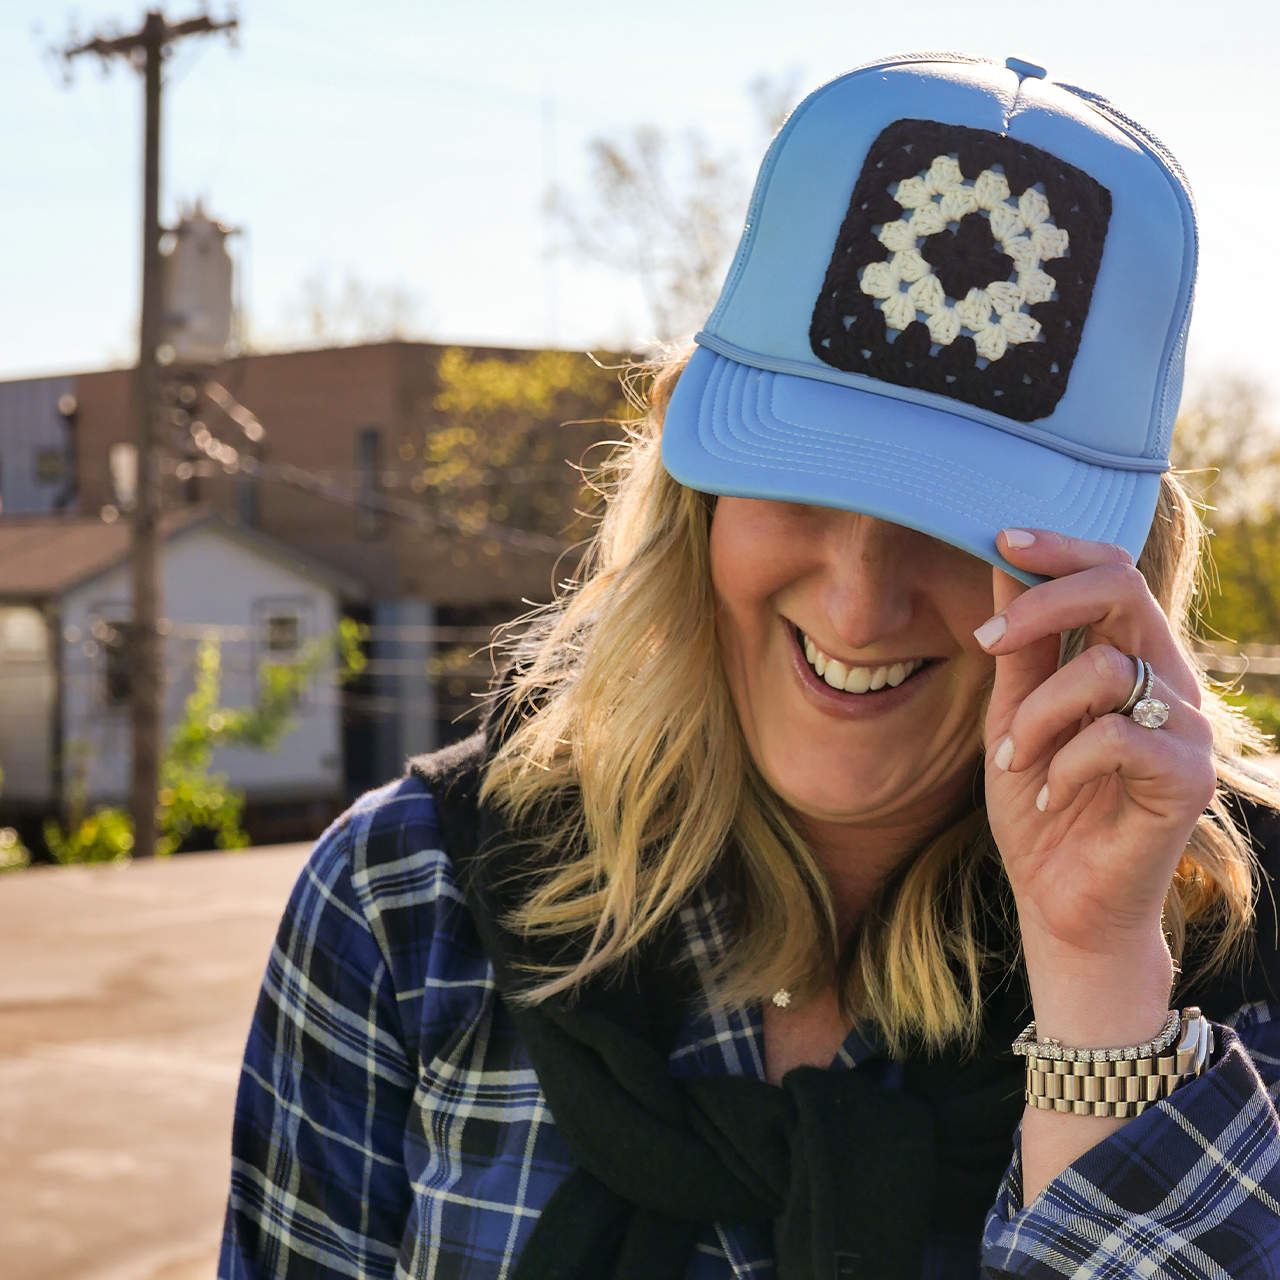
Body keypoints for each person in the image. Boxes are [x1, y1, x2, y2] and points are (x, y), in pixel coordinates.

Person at [219, 53, 1280, 1280]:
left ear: (1116, 568)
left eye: (965, 522)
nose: (857, 599)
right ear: (691, 482)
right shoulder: (409, 900)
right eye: (802, 477)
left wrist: (1099, 981)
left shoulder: (1239, 951)